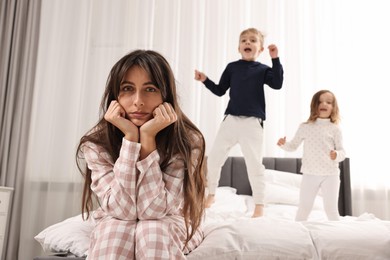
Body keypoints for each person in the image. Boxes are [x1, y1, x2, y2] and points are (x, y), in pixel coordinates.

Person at [76, 49, 206, 259]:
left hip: (172, 219)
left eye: (150, 89)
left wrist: (147, 139)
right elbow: (122, 211)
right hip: (117, 220)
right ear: (115, 96)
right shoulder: (96, 143)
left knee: (151, 231)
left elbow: (155, 211)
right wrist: (130, 138)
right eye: (127, 88)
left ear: (166, 96)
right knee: (115, 231)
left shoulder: (188, 141)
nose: (138, 101)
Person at [194, 28, 284, 217]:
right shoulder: (232, 68)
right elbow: (220, 90)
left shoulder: (262, 70)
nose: (248, 43)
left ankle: (259, 204)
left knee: (254, 165)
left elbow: (277, 84)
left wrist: (275, 59)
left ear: (259, 49)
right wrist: (205, 80)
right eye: (244, 40)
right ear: (239, 47)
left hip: (252, 123)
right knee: (214, 159)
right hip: (231, 120)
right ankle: (211, 194)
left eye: (252, 41)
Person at [277, 89, 346, 221]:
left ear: (333, 107)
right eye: (320, 102)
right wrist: (283, 144)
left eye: (328, 102)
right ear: (314, 106)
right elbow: (292, 146)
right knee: (304, 208)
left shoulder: (335, 129)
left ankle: (338, 235)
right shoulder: (305, 127)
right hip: (310, 173)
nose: (324, 104)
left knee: (331, 209)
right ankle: (297, 232)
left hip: (330, 174)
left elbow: (343, 152)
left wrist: (336, 154)